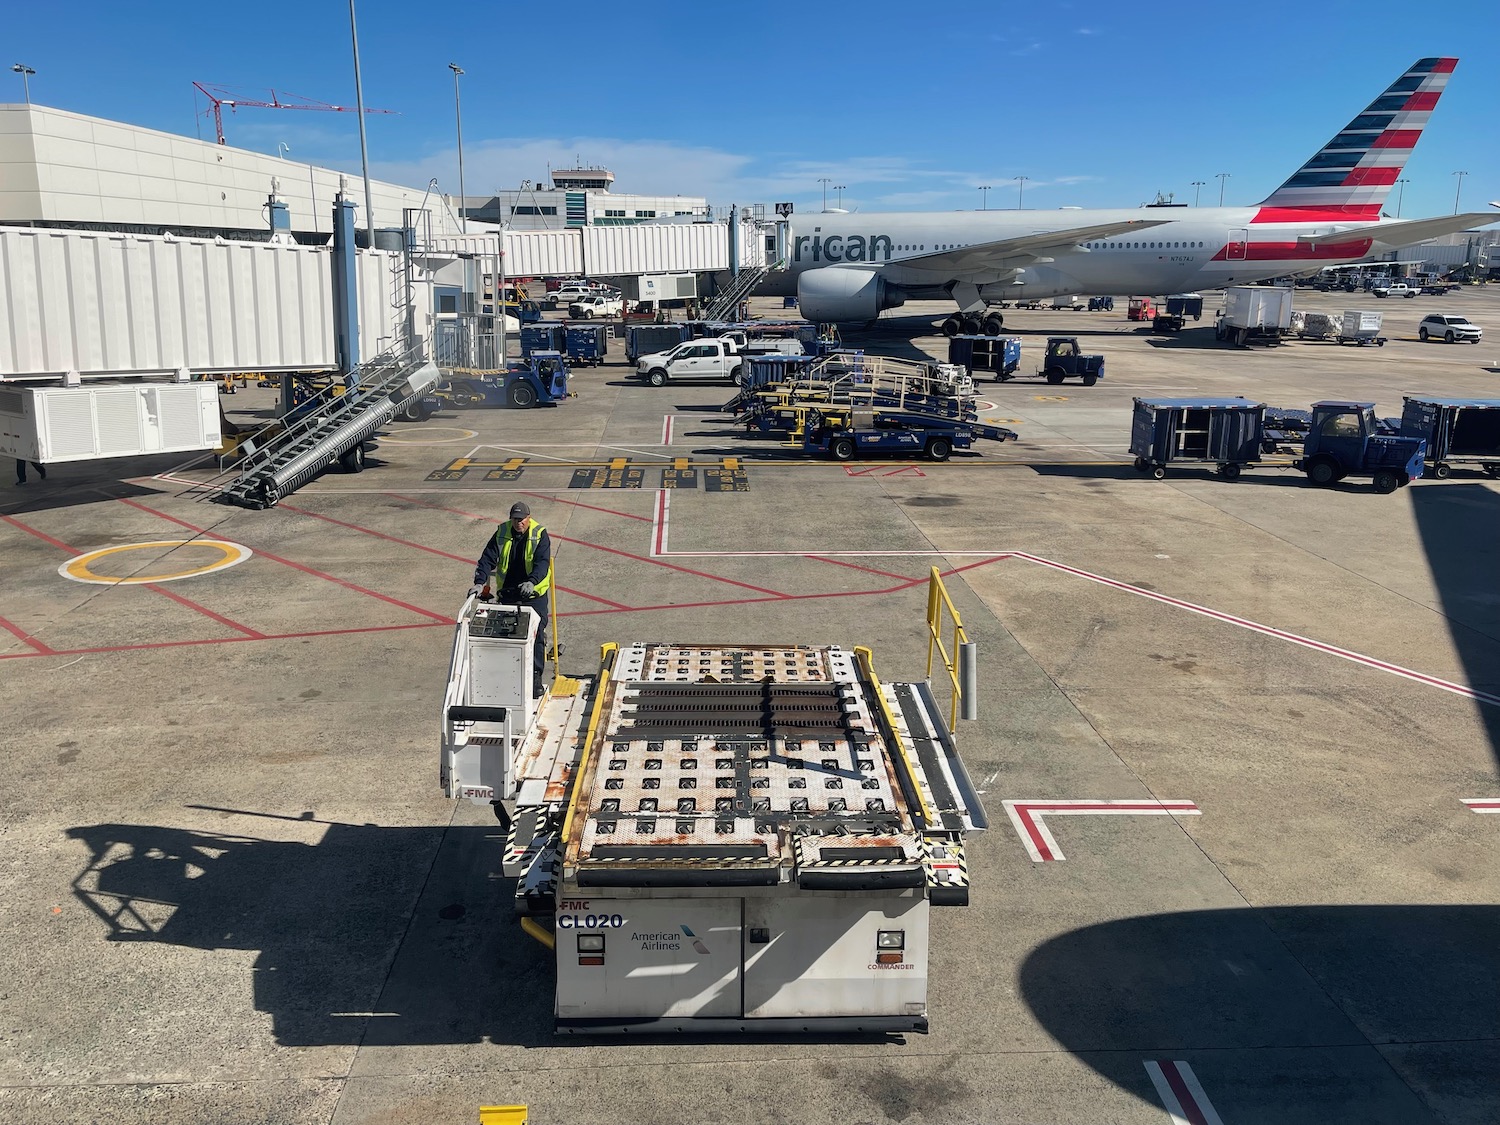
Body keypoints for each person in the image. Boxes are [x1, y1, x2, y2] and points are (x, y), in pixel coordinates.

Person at [470, 501, 552, 697]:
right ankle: (509, 676)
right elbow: (487, 559)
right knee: (507, 634)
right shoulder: (502, 532)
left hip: (533, 594)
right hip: (509, 592)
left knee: (536, 633)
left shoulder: (539, 534)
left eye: (522, 519)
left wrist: (532, 582)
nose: (518, 523)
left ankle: (535, 676)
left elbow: (542, 563)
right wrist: (480, 582)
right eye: (515, 519)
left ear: (528, 518)